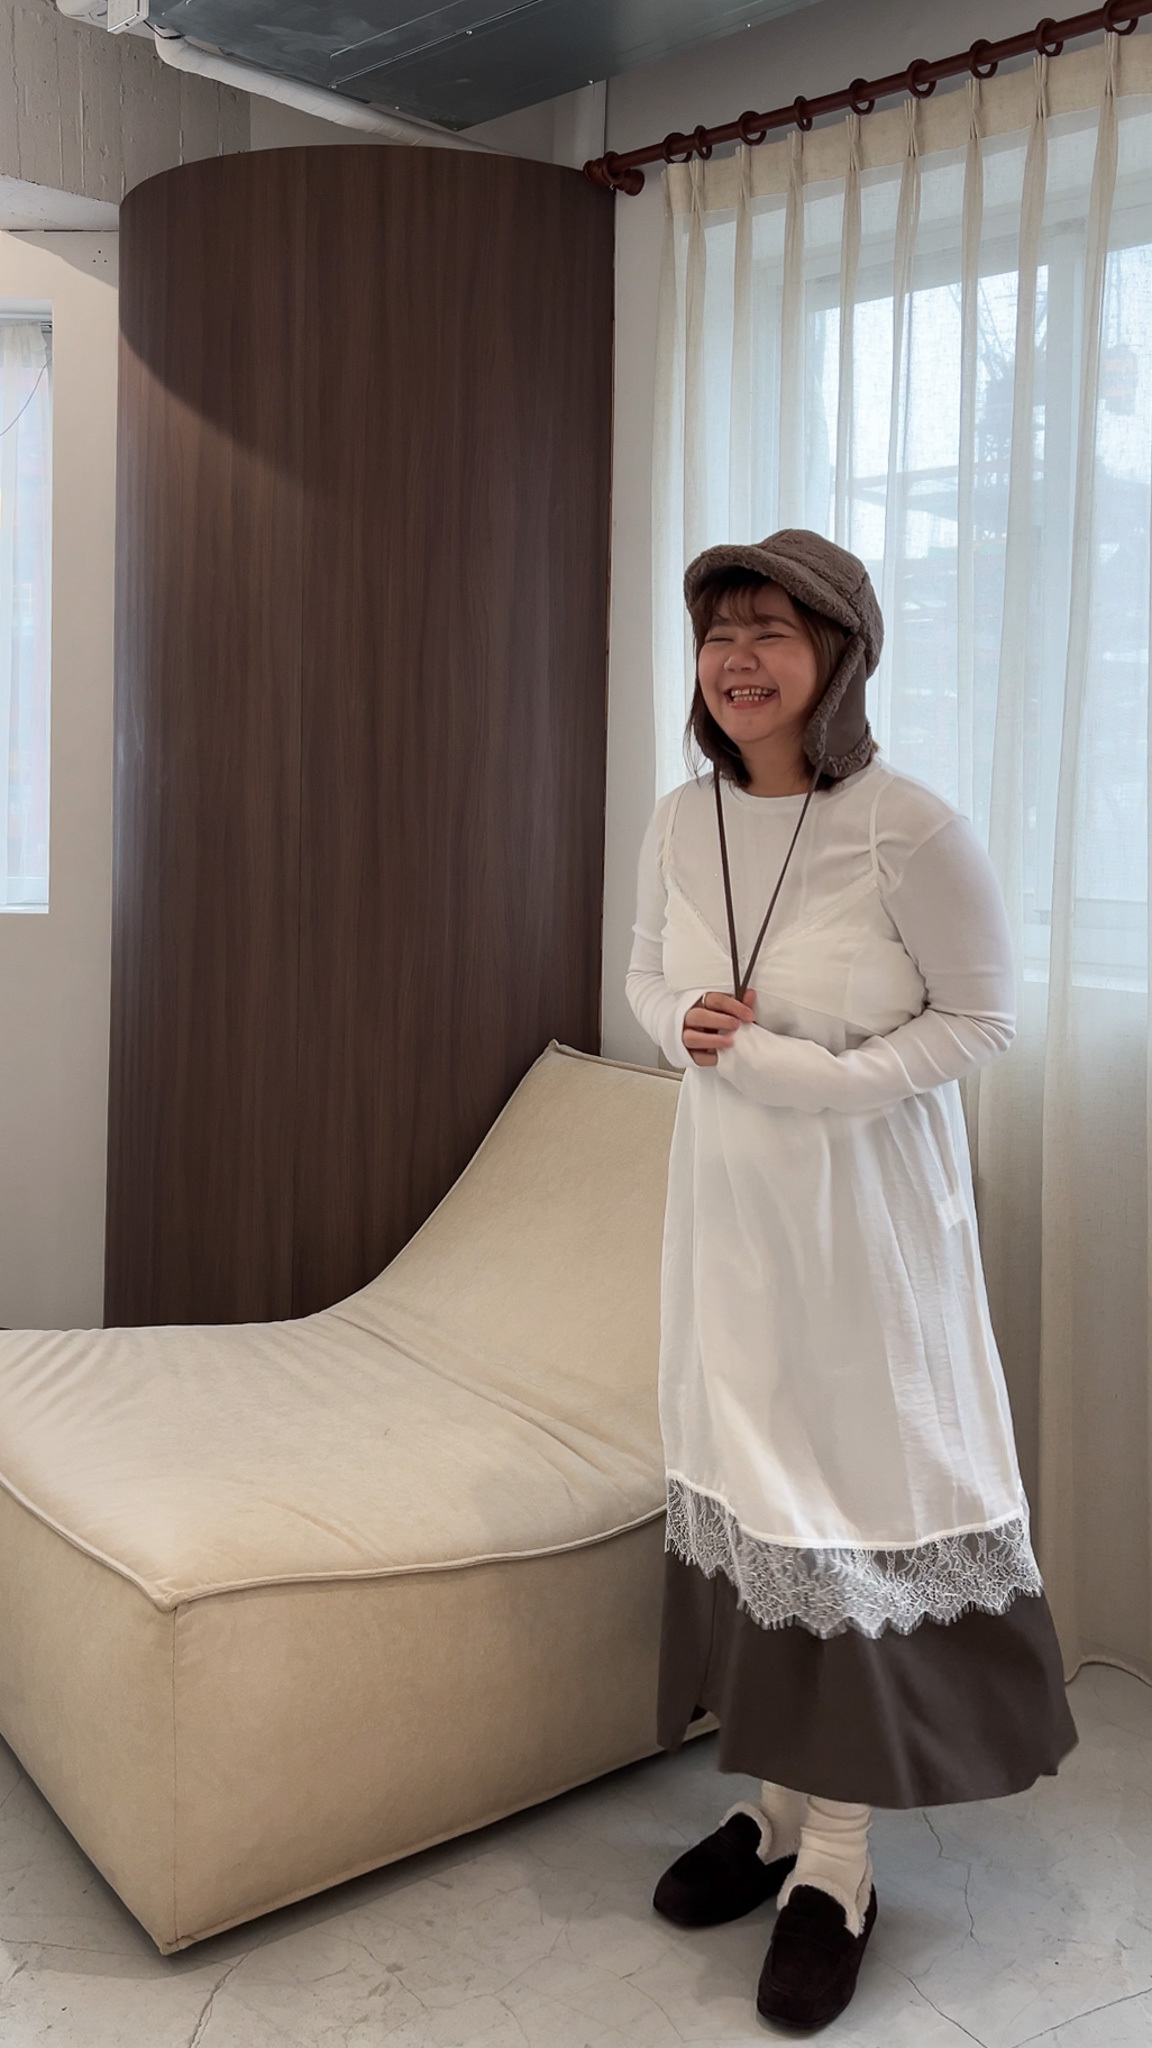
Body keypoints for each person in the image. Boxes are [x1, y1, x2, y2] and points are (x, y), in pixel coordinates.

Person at [625, 530, 1077, 2031]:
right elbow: (644, 975)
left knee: (847, 1504)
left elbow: (983, 1019)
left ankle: (838, 1862)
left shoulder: (909, 827)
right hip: (728, 1220)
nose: (737, 660)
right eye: (717, 634)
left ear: (840, 656)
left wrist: (824, 1079)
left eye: (771, 630)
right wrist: (685, 1022)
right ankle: (768, 1811)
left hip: (867, 1229)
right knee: (754, 1496)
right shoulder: (681, 819)